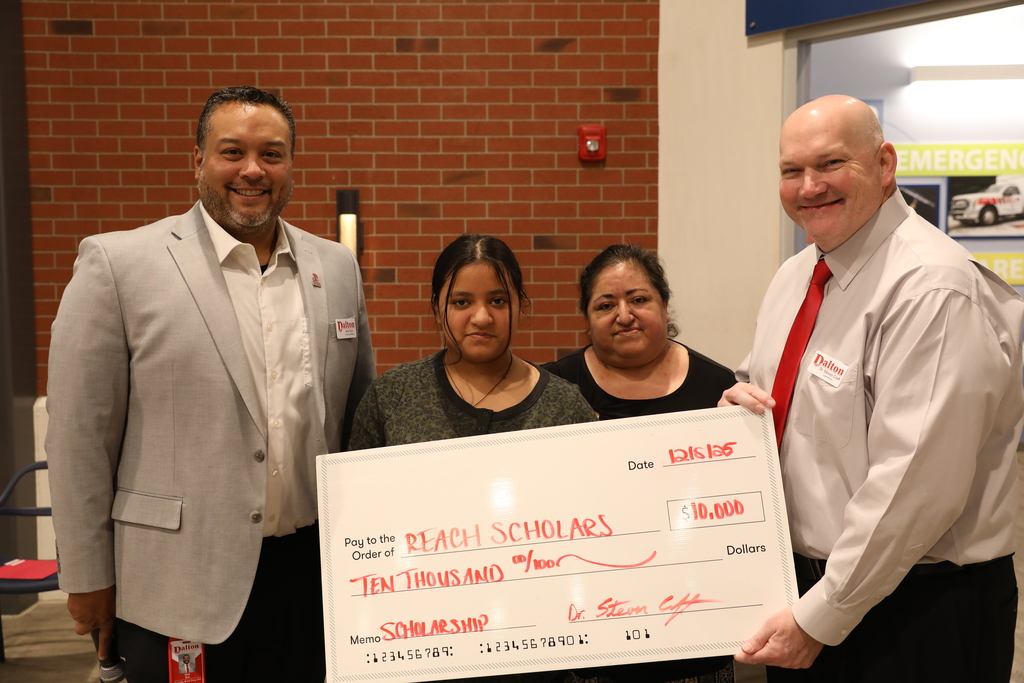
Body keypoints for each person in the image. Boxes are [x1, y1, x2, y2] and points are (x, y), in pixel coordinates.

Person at [45, 85, 376, 682]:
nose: (252, 170)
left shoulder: (336, 267)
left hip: (311, 579)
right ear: (197, 160)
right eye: (232, 152)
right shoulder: (119, 266)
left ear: (291, 165)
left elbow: (356, 417)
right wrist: (88, 577)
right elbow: (78, 440)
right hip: (179, 580)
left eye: (272, 154)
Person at [721, 95, 1023, 682]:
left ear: (884, 165)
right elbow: (764, 384)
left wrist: (819, 618)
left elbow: (914, 486)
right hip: (816, 590)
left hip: (915, 609)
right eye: (791, 170)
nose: (809, 187)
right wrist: (739, 407)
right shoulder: (797, 275)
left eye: (831, 164)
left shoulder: (930, 288)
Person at [349, 234, 595, 683]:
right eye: (461, 301)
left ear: (520, 305)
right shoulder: (393, 396)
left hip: (536, 650)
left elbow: (592, 531)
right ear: (436, 308)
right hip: (418, 645)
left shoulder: (565, 407)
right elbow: (355, 526)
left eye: (498, 300)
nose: (481, 317)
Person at [545, 243, 735, 683]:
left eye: (639, 299)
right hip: (589, 642)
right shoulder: (554, 388)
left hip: (695, 638)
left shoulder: (718, 387)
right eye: (605, 304)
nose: (624, 314)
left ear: (665, 305)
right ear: (587, 319)